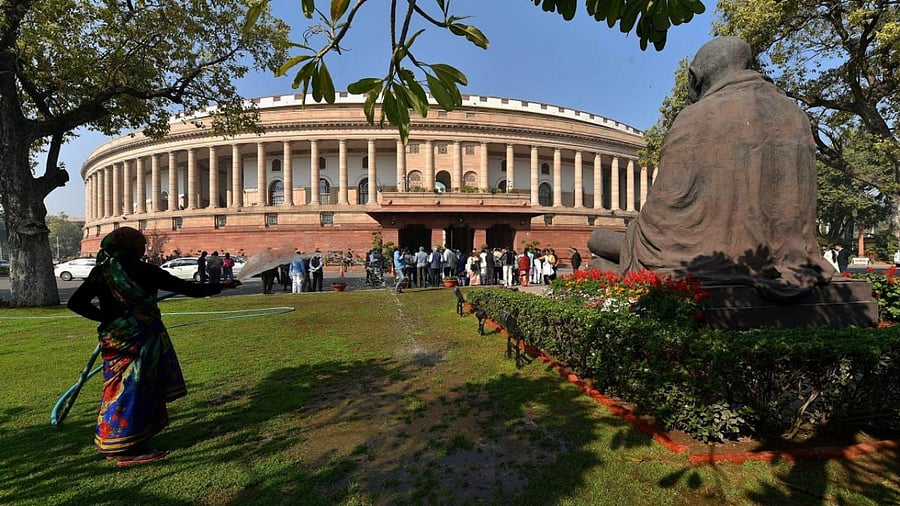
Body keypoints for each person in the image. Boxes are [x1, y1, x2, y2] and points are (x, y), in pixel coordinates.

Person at [588, 36, 831, 301]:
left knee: (598, 239)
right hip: (792, 255)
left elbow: (664, 211)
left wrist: (635, 233)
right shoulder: (795, 115)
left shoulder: (695, 117)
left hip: (698, 252)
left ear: (695, 77)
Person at [66, 227, 231, 467]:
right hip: (139, 339)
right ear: (133, 249)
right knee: (135, 390)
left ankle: (123, 439)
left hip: (115, 337)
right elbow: (190, 289)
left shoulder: (101, 273)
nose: (144, 249)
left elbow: (76, 303)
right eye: (141, 245)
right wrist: (222, 286)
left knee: (118, 390)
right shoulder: (145, 271)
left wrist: (107, 319)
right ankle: (124, 449)